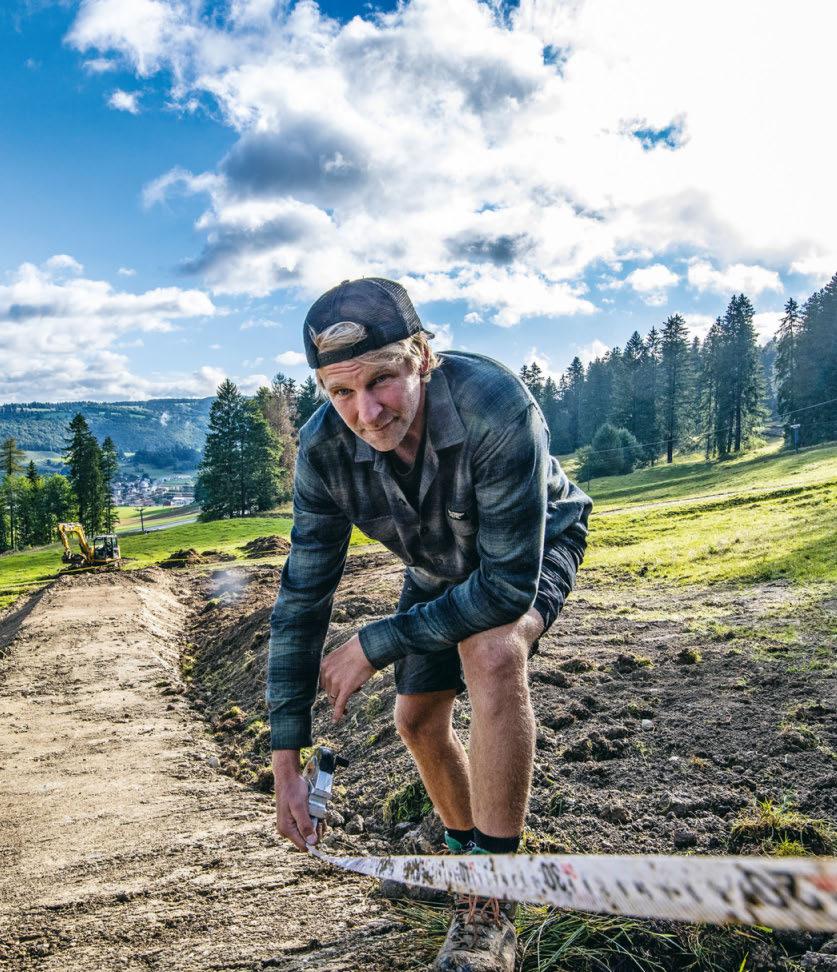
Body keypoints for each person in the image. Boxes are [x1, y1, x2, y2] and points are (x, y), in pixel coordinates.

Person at [268, 277, 592, 972]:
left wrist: (378, 641)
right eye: (340, 392)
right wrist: (285, 759)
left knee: (493, 652)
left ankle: (491, 905)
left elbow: (505, 586)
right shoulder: (324, 451)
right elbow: (301, 599)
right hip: (438, 560)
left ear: (420, 354)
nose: (366, 410)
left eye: (381, 380)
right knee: (415, 719)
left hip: (529, 549)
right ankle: (462, 864)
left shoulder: (494, 404)